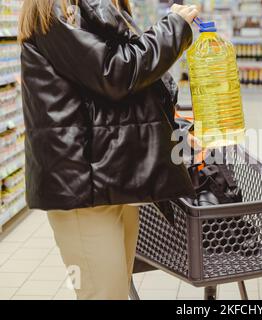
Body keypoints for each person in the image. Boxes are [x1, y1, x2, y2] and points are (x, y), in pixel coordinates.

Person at [19, 0, 198, 300]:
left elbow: (122, 91)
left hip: (113, 180)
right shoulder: (56, 11)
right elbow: (115, 73)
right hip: (81, 191)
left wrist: (174, 129)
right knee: (102, 294)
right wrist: (173, 29)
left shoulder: (97, 6)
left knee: (114, 291)